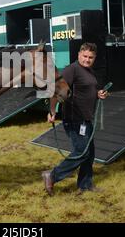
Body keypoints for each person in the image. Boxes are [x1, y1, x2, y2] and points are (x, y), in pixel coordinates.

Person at [42, 42, 108, 196]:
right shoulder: (72, 70)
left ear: (94, 58)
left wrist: (99, 93)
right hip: (74, 119)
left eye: (90, 57)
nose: (87, 59)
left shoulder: (89, 71)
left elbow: (88, 90)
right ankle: (52, 175)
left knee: (89, 153)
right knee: (81, 152)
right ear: (79, 54)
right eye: (84, 56)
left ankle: (85, 185)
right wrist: (52, 111)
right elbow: (55, 89)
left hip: (86, 119)